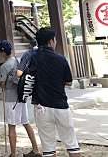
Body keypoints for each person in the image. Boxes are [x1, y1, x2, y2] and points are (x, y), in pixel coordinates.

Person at [33, 28, 81, 157]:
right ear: (50, 41)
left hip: (41, 106)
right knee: (72, 144)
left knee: (48, 147)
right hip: (61, 105)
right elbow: (69, 81)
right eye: (54, 39)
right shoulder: (60, 59)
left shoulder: (32, 58)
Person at [0, 40, 41, 157]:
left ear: (3, 52)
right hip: (21, 96)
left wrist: (1, 84)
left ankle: (13, 154)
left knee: (11, 125)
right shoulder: (17, 60)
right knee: (26, 122)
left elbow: (3, 84)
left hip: (11, 98)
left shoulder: (4, 66)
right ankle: (35, 148)